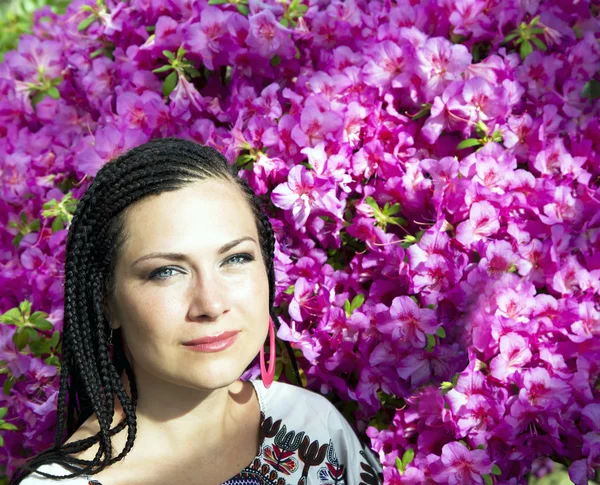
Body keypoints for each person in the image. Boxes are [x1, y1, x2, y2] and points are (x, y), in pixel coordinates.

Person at [12, 138, 382, 485]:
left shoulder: (313, 426)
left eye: (236, 258)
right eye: (166, 272)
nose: (211, 304)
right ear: (107, 301)